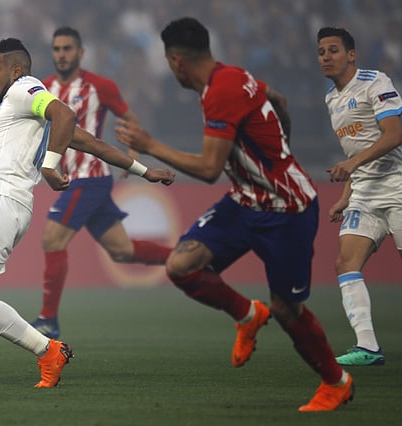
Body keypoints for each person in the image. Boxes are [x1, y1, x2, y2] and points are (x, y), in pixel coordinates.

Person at [0, 38, 174, 387]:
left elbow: (65, 113)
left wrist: (50, 165)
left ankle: (48, 350)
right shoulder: (29, 113)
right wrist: (145, 171)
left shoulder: (25, 88)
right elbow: (94, 144)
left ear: (16, 70)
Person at [115, 17, 354, 412]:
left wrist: (150, 145)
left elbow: (210, 169)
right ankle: (247, 314)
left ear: (176, 61)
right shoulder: (232, 76)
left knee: (286, 309)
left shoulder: (222, 90)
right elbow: (279, 100)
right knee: (182, 266)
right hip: (245, 201)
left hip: (286, 210)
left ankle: (337, 383)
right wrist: (279, 151)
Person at [30, 27, 173, 339]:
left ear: (81, 53)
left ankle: (48, 320)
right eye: (57, 49)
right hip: (75, 179)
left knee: (52, 239)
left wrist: (133, 149)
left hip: (89, 178)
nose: (61, 54)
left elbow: (130, 118)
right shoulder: (44, 88)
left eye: (67, 48)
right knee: (122, 250)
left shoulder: (100, 86)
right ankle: (186, 258)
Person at [317, 27, 402, 367]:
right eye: (321, 51)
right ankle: (368, 347)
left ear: (351, 55)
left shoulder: (374, 82)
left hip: (397, 184)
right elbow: (356, 150)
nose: (326, 56)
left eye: (333, 50)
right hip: (365, 192)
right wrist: (345, 195)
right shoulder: (331, 98)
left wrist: (352, 164)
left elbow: (394, 134)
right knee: (345, 263)